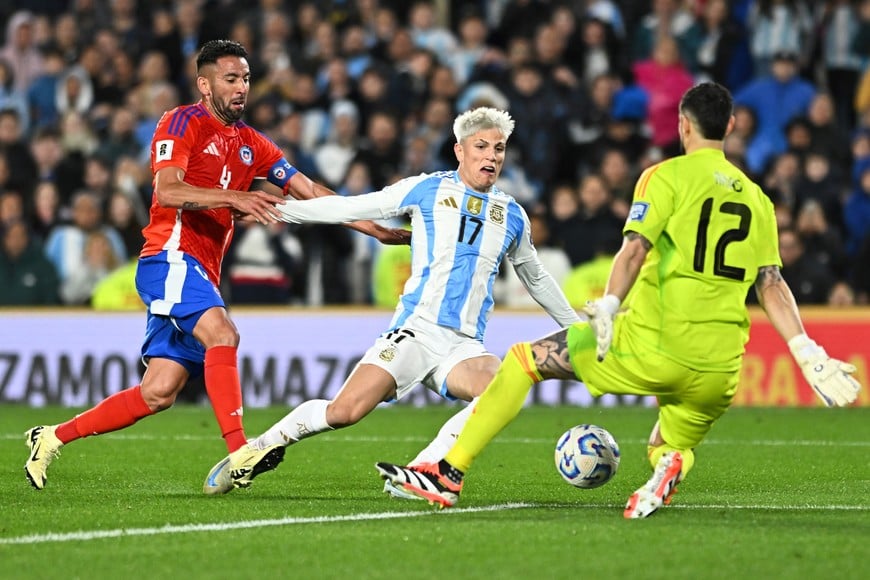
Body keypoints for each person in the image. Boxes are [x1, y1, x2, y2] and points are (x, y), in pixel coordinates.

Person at [375, 82, 862, 518]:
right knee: (667, 442)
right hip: (720, 366)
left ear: (682, 124)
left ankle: (447, 474)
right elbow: (772, 282)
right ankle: (668, 464)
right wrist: (806, 351)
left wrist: (608, 305)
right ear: (731, 126)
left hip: (656, 340)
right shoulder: (758, 198)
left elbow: (634, 250)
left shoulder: (665, 176)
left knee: (523, 360)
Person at [23, 39, 408, 491]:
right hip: (168, 256)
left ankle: (50, 436)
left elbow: (308, 190)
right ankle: (239, 451)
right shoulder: (181, 121)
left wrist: (372, 227)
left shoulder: (251, 143)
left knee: (159, 391)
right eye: (231, 78)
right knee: (222, 333)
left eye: (246, 78)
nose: (242, 87)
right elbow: (167, 190)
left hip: (201, 270)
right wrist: (234, 197)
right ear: (204, 85)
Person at [202, 107, 581, 495]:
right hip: (415, 332)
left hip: (464, 345)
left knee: (501, 388)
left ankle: (427, 470)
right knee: (344, 412)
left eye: (498, 149)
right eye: (481, 146)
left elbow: (534, 276)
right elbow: (347, 208)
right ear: (459, 151)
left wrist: (576, 328)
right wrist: (278, 209)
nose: (491, 156)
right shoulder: (427, 189)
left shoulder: (513, 214)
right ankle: (262, 446)